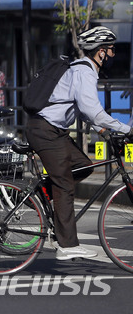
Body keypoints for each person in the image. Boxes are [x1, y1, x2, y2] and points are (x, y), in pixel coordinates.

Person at [26, 26, 132, 261]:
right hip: (46, 131)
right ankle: (67, 245)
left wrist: (103, 130)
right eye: (111, 50)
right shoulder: (85, 71)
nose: (113, 55)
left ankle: (42, 191)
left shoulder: (81, 69)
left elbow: (81, 110)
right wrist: (126, 129)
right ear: (101, 52)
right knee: (64, 184)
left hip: (52, 130)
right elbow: (91, 109)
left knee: (84, 165)